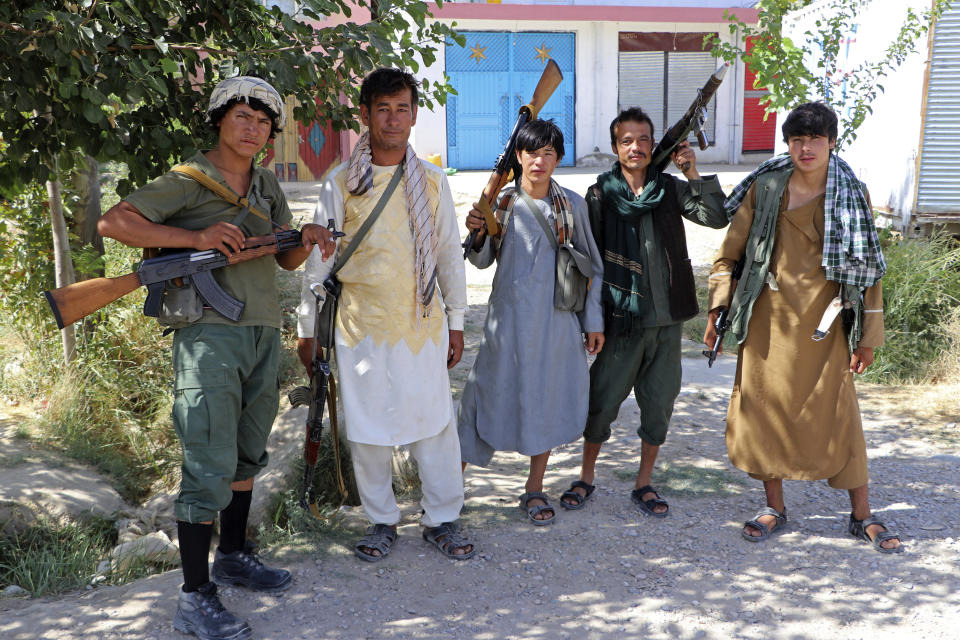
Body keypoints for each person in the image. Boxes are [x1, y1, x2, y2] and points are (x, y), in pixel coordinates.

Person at [98, 76, 336, 640]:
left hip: (259, 330)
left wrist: (305, 236)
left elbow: (284, 260)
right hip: (208, 335)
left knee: (246, 455)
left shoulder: (265, 183)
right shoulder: (188, 180)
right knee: (207, 462)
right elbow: (115, 222)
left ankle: (232, 555)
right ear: (220, 120)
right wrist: (193, 236)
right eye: (242, 117)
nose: (253, 129)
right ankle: (193, 596)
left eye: (263, 122)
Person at [705, 101, 902, 552]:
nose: (806, 147)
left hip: (827, 327)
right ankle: (774, 506)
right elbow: (728, 254)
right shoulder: (767, 187)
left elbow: (866, 271)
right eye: (797, 139)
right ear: (788, 143)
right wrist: (718, 313)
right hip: (766, 325)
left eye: (815, 139)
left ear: (832, 142)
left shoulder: (852, 193)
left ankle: (862, 514)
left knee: (840, 415)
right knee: (764, 411)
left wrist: (868, 340)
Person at [297, 68, 473, 562]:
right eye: (383, 109)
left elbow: (448, 257)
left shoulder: (434, 183)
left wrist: (456, 321)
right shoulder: (340, 184)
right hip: (360, 327)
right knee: (368, 430)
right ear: (365, 115)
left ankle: (442, 518)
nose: (393, 119)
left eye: (402, 108)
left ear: (415, 114)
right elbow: (319, 264)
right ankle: (381, 521)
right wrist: (307, 330)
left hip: (422, 324)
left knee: (434, 424)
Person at [559, 107, 728, 516]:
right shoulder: (600, 195)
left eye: (644, 139)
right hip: (620, 319)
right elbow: (592, 261)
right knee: (601, 402)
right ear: (616, 148)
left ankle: (644, 483)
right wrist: (593, 320)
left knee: (659, 404)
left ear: (655, 145)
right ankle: (586, 477)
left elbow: (717, 216)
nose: (636, 147)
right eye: (627, 140)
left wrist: (692, 173)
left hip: (667, 320)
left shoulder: (669, 188)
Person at [458, 119, 605, 525]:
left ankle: (534, 488)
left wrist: (594, 322)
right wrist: (479, 229)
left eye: (548, 153)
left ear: (558, 158)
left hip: (555, 325)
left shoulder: (572, 205)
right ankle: (448, 492)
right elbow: (482, 260)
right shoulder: (501, 203)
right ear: (517, 157)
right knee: (478, 399)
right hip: (505, 325)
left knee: (545, 399)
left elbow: (593, 268)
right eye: (531, 152)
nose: (539, 161)